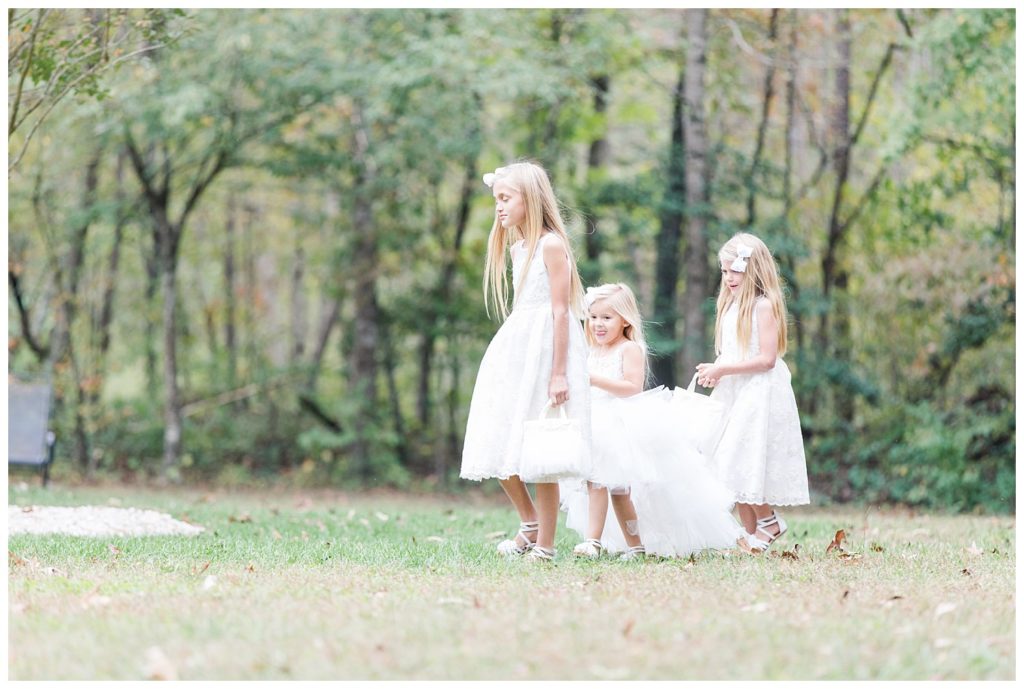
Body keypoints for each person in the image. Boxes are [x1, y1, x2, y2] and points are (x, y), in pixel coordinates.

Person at [460, 161, 591, 562]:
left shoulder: (552, 244)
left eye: (505, 198)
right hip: (517, 347)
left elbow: (560, 311)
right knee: (498, 435)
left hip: (547, 350)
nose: (498, 207)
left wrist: (557, 373)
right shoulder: (518, 247)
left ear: (529, 199)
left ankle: (546, 545)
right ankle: (529, 523)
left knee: (541, 451)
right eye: (496, 199)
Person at [563, 283, 744, 559]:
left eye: (606, 318)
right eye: (594, 317)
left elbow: (632, 387)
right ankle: (594, 541)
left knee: (619, 492)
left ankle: (633, 545)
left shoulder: (629, 349)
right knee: (594, 483)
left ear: (624, 320)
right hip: (593, 422)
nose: (598, 324)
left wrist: (593, 380)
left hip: (619, 423)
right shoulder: (592, 350)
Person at [696, 232, 810, 553]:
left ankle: (769, 521)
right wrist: (715, 369)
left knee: (741, 457)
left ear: (754, 270)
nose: (729, 278)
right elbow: (734, 351)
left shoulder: (763, 306)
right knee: (728, 464)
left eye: (735, 270)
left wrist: (723, 370)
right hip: (735, 390)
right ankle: (751, 534)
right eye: (724, 271)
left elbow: (767, 359)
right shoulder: (731, 306)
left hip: (758, 393)